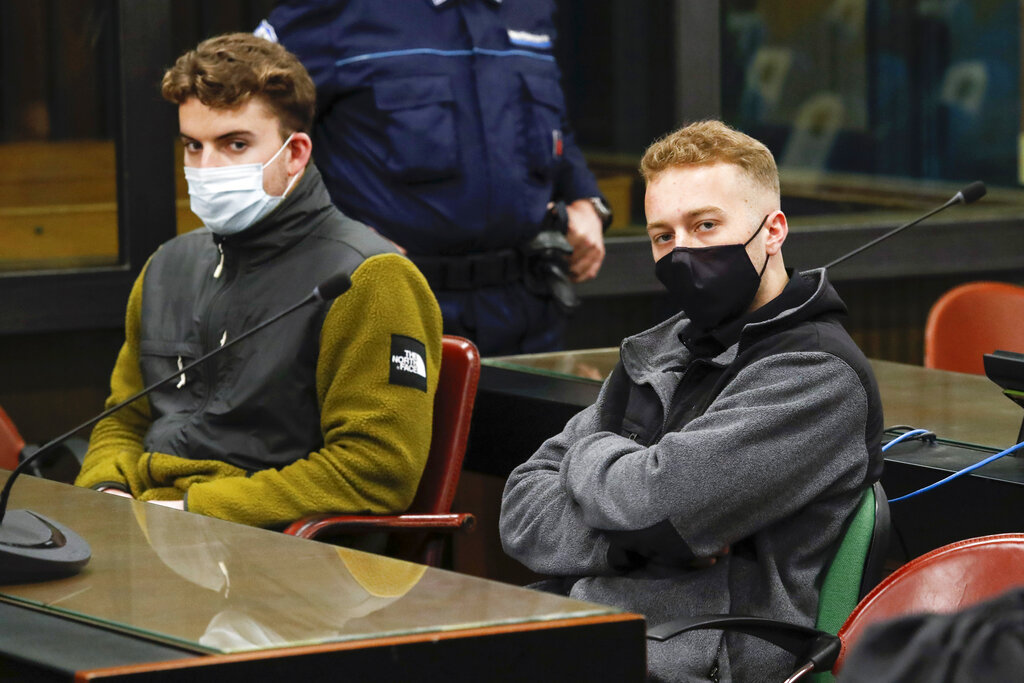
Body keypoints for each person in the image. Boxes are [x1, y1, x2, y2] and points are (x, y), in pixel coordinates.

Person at [499, 120, 884, 681]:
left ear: (773, 229)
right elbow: (521, 509)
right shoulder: (662, 349)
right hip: (588, 623)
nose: (682, 252)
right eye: (663, 235)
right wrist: (626, 542)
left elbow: (661, 508)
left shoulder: (815, 373)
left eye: (705, 225)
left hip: (698, 655)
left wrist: (590, 457)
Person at [74, 33, 443, 530]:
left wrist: (191, 512)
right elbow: (123, 421)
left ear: (295, 154)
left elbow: (375, 471)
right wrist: (106, 491)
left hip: (281, 557)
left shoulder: (368, 277)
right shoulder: (168, 266)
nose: (207, 168)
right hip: (149, 532)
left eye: (235, 144)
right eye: (193, 146)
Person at [254, 1, 612, 355]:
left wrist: (586, 201)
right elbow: (243, 133)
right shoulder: (334, 10)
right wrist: (325, 234)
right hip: (395, 307)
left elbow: (552, 127)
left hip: (528, 311)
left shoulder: (530, 9)